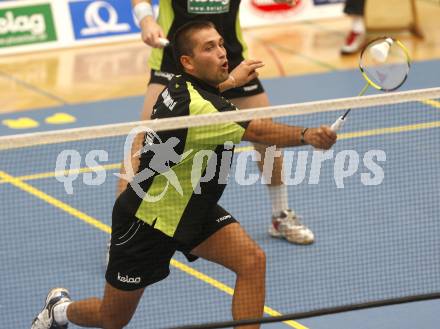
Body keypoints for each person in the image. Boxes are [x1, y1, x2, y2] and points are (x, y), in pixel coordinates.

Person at [31, 21, 337, 329]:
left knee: (252, 261)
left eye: (220, 44)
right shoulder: (203, 109)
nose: (222, 52)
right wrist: (308, 134)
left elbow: (206, 96)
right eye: (209, 48)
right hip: (148, 221)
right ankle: (59, 310)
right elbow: (255, 129)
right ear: (187, 62)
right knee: (112, 319)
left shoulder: (177, 85)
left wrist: (229, 81)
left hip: (192, 208)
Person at [128, 0, 315, 244]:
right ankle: (126, 231)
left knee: (267, 139)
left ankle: (281, 215)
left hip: (230, 61)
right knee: (142, 142)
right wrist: (146, 19)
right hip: (174, 60)